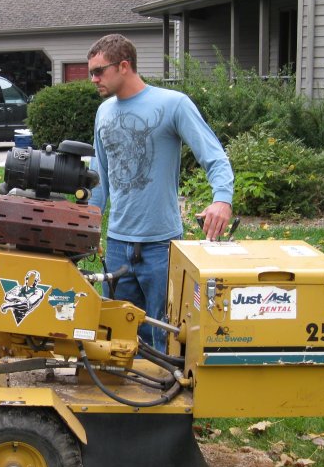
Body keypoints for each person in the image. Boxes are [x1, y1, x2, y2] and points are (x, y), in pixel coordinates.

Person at [87, 33, 234, 352]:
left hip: (160, 247)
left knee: (165, 334)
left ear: (124, 66)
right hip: (117, 245)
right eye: (91, 73)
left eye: (99, 71)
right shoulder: (103, 113)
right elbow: (101, 175)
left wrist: (222, 198)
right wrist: (88, 225)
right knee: (115, 336)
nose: (94, 79)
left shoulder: (173, 104)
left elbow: (214, 155)